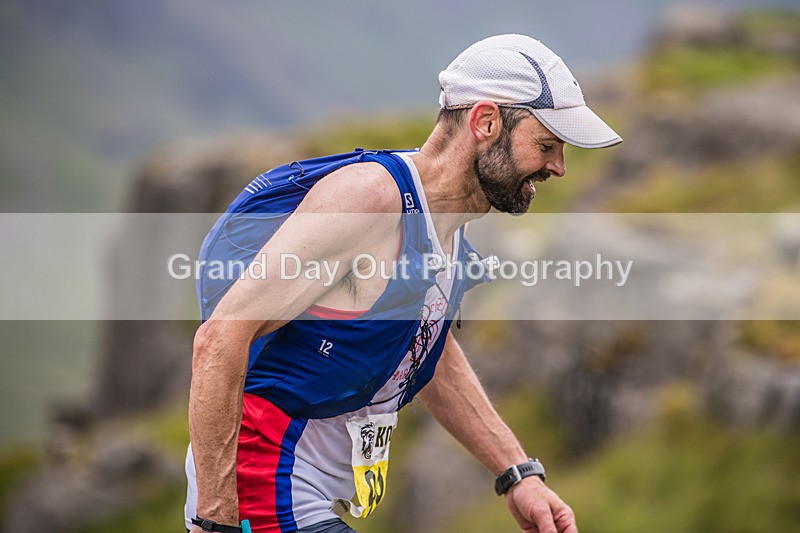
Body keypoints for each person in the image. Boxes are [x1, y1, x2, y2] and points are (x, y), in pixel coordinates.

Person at [185, 34, 621, 533]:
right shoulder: (372, 200)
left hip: (310, 493)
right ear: (485, 122)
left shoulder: (445, 221)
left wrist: (517, 473)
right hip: (262, 486)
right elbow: (220, 337)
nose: (559, 167)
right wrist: (215, 520)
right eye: (546, 145)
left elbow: (423, 349)